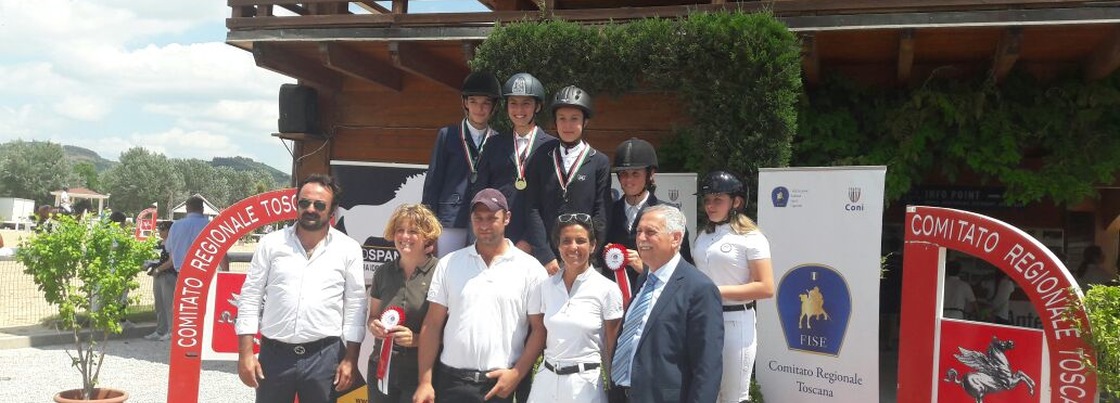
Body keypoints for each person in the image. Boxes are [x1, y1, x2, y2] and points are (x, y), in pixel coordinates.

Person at [235, 174, 367, 403]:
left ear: (332, 210)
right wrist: (245, 353)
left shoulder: (349, 249)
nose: (310, 209)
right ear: (296, 204)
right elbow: (250, 296)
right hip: (274, 357)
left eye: (319, 205)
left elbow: (355, 305)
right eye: (304, 203)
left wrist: (350, 359)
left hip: (325, 357)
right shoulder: (271, 243)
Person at [413, 188, 548, 403]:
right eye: (478, 218)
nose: (484, 225)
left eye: (492, 218)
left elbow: (539, 329)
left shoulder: (531, 269)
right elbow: (432, 323)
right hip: (451, 384)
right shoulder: (449, 263)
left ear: (507, 218)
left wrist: (516, 374)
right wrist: (425, 381)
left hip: (501, 386)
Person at [609, 205, 723, 403]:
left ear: (676, 238)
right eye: (638, 232)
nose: (641, 238)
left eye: (650, 232)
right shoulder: (645, 278)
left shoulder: (699, 289)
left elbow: (707, 367)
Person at [692, 171, 774, 403]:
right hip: (704, 320)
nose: (710, 205)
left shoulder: (752, 238)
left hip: (736, 322)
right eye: (707, 200)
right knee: (708, 394)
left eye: (718, 199)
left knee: (733, 396)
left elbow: (766, 287)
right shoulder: (703, 235)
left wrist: (715, 292)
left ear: (736, 202)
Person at [527, 214, 623, 403]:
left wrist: (616, 390)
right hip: (545, 383)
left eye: (581, 241)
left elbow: (612, 345)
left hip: (585, 386)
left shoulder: (607, 289)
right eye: (566, 241)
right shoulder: (544, 287)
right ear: (558, 245)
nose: (573, 247)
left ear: (593, 245)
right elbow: (537, 335)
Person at [522, 85, 611, 274]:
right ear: (555, 121)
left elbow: (601, 212)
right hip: (547, 261)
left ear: (585, 122)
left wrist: (587, 253)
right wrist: (545, 255)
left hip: (583, 257)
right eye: (562, 118)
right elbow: (532, 208)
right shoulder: (539, 158)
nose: (567, 125)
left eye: (574, 119)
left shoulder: (600, 162)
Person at [470, 72, 557, 251]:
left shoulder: (551, 146)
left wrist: (529, 240)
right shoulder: (493, 144)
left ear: (537, 107)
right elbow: (481, 192)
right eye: (513, 103)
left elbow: (551, 200)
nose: (519, 110)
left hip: (537, 239)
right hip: (497, 235)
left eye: (526, 104)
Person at [367, 204, 442, 403]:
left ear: (427, 235)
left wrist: (417, 339)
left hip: (421, 373)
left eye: (413, 231)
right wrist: (373, 325)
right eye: (400, 230)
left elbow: (451, 330)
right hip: (381, 370)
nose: (405, 236)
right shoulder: (382, 272)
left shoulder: (441, 272)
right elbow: (373, 315)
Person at [422, 72, 501, 257]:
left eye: (485, 103)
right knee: (446, 269)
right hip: (450, 217)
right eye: (473, 102)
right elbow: (433, 182)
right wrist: (426, 224)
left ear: (493, 107)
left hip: (483, 217)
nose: (479, 109)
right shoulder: (447, 135)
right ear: (465, 103)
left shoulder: (498, 140)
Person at [604, 137, 692, 300]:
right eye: (624, 174)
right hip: (614, 300)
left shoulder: (668, 213)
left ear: (650, 174)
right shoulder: (608, 211)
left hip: (656, 297)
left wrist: (645, 267)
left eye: (635, 174)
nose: (629, 180)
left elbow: (683, 263)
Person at [145, 221, 175, 341]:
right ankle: (160, 329)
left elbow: (171, 261)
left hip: (168, 275)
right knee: (159, 304)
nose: (160, 231)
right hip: (157, 275)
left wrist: (158, 270)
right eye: (159, 228)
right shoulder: (158, 244)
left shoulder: (172, 243)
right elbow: (153, 258)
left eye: (163, 228)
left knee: (168, 304)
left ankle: (171, 331)